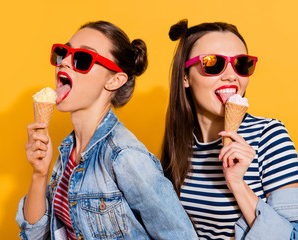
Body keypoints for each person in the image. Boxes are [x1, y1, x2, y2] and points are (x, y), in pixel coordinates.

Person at [16, 20, 197, 240]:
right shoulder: (67, 150)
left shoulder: (125, 156)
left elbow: (181, 236)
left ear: (114, 80)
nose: (64, 63)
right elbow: (35, 235)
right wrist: (39, 174)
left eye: (83, 59)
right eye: (63, 53)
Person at [161, 19, 298, 240]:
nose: (232, 75)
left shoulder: (268, 136)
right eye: (213, 63)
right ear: (185, 77)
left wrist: (238, 185)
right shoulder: (180, 143)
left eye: (241, 64)